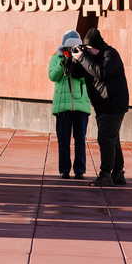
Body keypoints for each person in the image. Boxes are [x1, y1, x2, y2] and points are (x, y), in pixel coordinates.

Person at [69, 28, 129, 187]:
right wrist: (75, 59)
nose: (87, 52)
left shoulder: (110, 54)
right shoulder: (88, 57)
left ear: (96, 45)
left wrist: (83, 57)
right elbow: (75, 74)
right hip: (102, 105)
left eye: (89, 49)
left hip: (114, 104)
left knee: (105, 139)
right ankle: (117, 173)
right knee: (113, 139)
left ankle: (105, 175)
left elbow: (100, 73)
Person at [48, 30, 92, 179]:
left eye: (74, 48)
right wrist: (63, 62)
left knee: (80, 139)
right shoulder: (57, 57)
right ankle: (64, 170)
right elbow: (53, 76)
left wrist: (77, 63)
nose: (71, 51)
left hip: (80, 105)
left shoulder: (85, 58)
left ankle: (80, 170)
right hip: (62, 107)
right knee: (63, 140)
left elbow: (88, 78)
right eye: (68, 48)